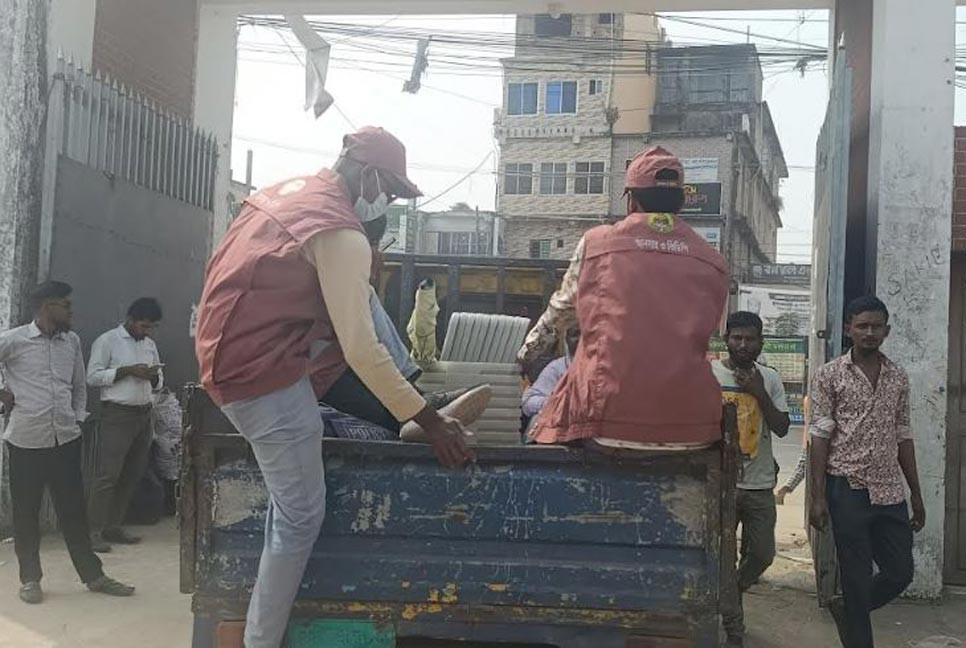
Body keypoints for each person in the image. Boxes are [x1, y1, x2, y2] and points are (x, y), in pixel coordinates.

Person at [195, 126, 487, 648]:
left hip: (234, 345)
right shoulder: (340, 232)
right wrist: (431, 422)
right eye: (392, 192)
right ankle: (260, 642)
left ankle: (414, 403)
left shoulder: (289, 196)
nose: (389, 204)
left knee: (362, 298)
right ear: (370, 174)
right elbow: (360, 350)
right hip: (258, 373)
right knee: (301, 514)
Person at [517, 146, 729, 449]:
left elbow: (561, 310)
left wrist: (526, 353)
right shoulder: (713, 260)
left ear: (632, 200)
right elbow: (710, 331)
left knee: (536, 441)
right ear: (681, 203)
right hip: (693, 426)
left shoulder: (599, 243)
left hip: (607, 420)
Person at [0, 281, 135, 604]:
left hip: (66, 439)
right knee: (26, 513)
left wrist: (77, 418)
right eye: (65, 305)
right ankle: (30, 580)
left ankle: (94, 576)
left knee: (73, 512)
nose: (71, 311)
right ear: (47, 307)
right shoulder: (14, 340)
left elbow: (78, 385)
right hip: (26, 441)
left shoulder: (71, 341)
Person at [809, 296, 923, 648]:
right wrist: (817, 496)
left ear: (886, 331)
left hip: (889, 489)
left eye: (876, 326)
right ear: (849, 330)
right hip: (848, 488)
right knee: (857, 578)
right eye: (862, 326)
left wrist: (915, 494)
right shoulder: (829, 375)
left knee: (900, 572)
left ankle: (847, 608)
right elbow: (820, 435)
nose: (869, 332)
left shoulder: (898, 377)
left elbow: (903, 434)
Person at [712, 312, 790, 645]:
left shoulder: (769, 379)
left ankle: (730, 591)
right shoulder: (710, 374)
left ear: (761, 342)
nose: (743, 345)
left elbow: (783, 427)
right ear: (726, 339)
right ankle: (734, 629)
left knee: (761, 554)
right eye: (737, 338)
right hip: (721, 484)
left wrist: (758, 391)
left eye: (750, 339)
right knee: (722, 555)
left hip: (759, 485)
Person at [86, 297, 164, 551]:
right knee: (108, 475)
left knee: (132, 474)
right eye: (143, 326)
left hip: (144, 413)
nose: (147, 331)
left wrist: (153, 378)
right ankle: (93, 531)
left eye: (151, 327)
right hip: (117, 415)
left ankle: (113, 526)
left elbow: (159, 381)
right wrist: (128, 371)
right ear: (130, 320)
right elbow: (93, 377)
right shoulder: (108, 341)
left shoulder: (149, 344)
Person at [520, 328, 580, 435]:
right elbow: (528, 403)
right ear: (566, 340)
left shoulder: (608, 368)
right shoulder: (557, 368)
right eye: (575, 334)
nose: (581, 339)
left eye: (587, 334)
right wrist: (557, 403)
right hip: (559, 432)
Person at [775, 395, 809, 505]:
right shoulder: (810, 400)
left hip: (809, 439)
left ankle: (783, 491)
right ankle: (783, 491)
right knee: (802, 468)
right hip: (812, 439)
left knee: (801, 468)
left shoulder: (809, 399)